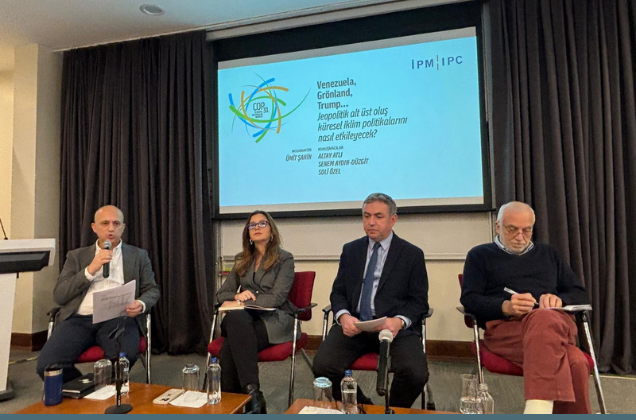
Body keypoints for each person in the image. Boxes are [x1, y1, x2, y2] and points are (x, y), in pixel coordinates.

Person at [460, 201, 591, 414]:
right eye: (512, 229)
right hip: (508, 331)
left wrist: (558, 299)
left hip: (555, 326)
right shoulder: (479, 255)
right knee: (575, 361)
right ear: (498, 227)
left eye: (526, 230)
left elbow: (579, 293)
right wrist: (505, 306)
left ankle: (537, 409)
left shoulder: (549, 254)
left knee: (543, 317)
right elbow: (470, 299)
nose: (520, 237)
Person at [312, 193, 429, 408]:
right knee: (323, 366)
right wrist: (343, 316)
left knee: (415, 373)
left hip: (394, 329)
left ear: (393, 219)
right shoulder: (351, 250)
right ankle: (365, 407)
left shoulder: (411, 254)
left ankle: (392, 411)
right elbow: (338, 292)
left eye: (378, 216)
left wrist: (399, 321)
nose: (371, 222)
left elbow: (419, 302)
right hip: (356, 325)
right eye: (366, 216)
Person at [37, 205, 160, 382]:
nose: (111, 228)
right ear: (94, 227)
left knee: (122, 359)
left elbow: (152, 289)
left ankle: (106, 388)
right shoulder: (76, 256)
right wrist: (90, 270)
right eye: (105, 223)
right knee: (47, 366)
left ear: (123, 227)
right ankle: (86, 388)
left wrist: (140, 304)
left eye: (116, 223)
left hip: (119, 317)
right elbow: (60, 295)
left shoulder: (138, 256)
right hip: (80, 318)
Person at [216, 210, 296, 414]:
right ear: (248, 233)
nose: (257, 228)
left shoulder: (284, 259)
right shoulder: (241, 259)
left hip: (273, 319)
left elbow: (278, 297)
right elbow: (221, 294)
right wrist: (237, 296)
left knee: (229, 348)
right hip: (243, 321)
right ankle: (254, 395)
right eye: (252, 225)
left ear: (271, 230)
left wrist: (246, 301)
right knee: (237, 320)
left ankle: (238, 404)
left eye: (262, 223)